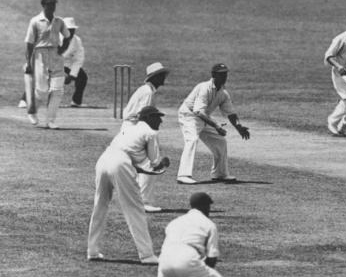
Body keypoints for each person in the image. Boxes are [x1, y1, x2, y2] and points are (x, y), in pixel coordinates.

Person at [87, 105, 170, 264]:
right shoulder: (151, 132)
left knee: (100, 205)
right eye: (156, 116)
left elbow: (134, 162)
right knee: (135, 208)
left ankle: (92, 250)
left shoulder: (127, 129)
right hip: (120, 163)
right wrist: (164, 164)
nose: (160, 120)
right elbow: (154, 164)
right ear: (147, 118)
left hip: (103, 160)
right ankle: (147, 255)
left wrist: (154, 168)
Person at [176, 63, 250, 185]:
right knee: (192, 139)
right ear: (213, 75)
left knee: (220, 141)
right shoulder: (204, 88)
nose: (224, 77)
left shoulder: (223, 93)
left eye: (225, 74)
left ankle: (219, 174)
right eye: (221, 74)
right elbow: (198, 111)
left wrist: (239, 127)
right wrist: (216, 126)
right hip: (189, 115)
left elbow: (231, 113)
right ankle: (183, 175)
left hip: (204, 117)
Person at [121, 62, 171, 212]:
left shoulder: (146, 90)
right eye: (161, 75)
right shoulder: (148, 92)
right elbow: (145, 116)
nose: (164, 78)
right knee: (149, 164)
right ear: (154, 77)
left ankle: (136, 201)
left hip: (129, 129)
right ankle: (144, 202)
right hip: (135, 128)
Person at [24, 0, 71, 128]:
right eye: (49, 5)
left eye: (54, 4)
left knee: (57, 89)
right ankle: (32, 111)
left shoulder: (59, 21)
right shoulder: (35, 21)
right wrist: (28, 63)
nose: (52, 7)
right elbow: (29, 43)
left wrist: (63, 49)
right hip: (40, 54)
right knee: (42, 90)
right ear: (43, 5)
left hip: (56, 54)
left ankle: (50, 121)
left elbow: (68, 36)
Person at [60, 17, 88, 107]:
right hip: (51, 64)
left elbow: (78, 59)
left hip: (67, 65)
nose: (71, 32)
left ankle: (76, 101)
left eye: (73, 30)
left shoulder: (77, 41)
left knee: (82, 77)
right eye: (68, 30)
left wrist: (72, 75)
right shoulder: (55, 38)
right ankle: (26, 100)